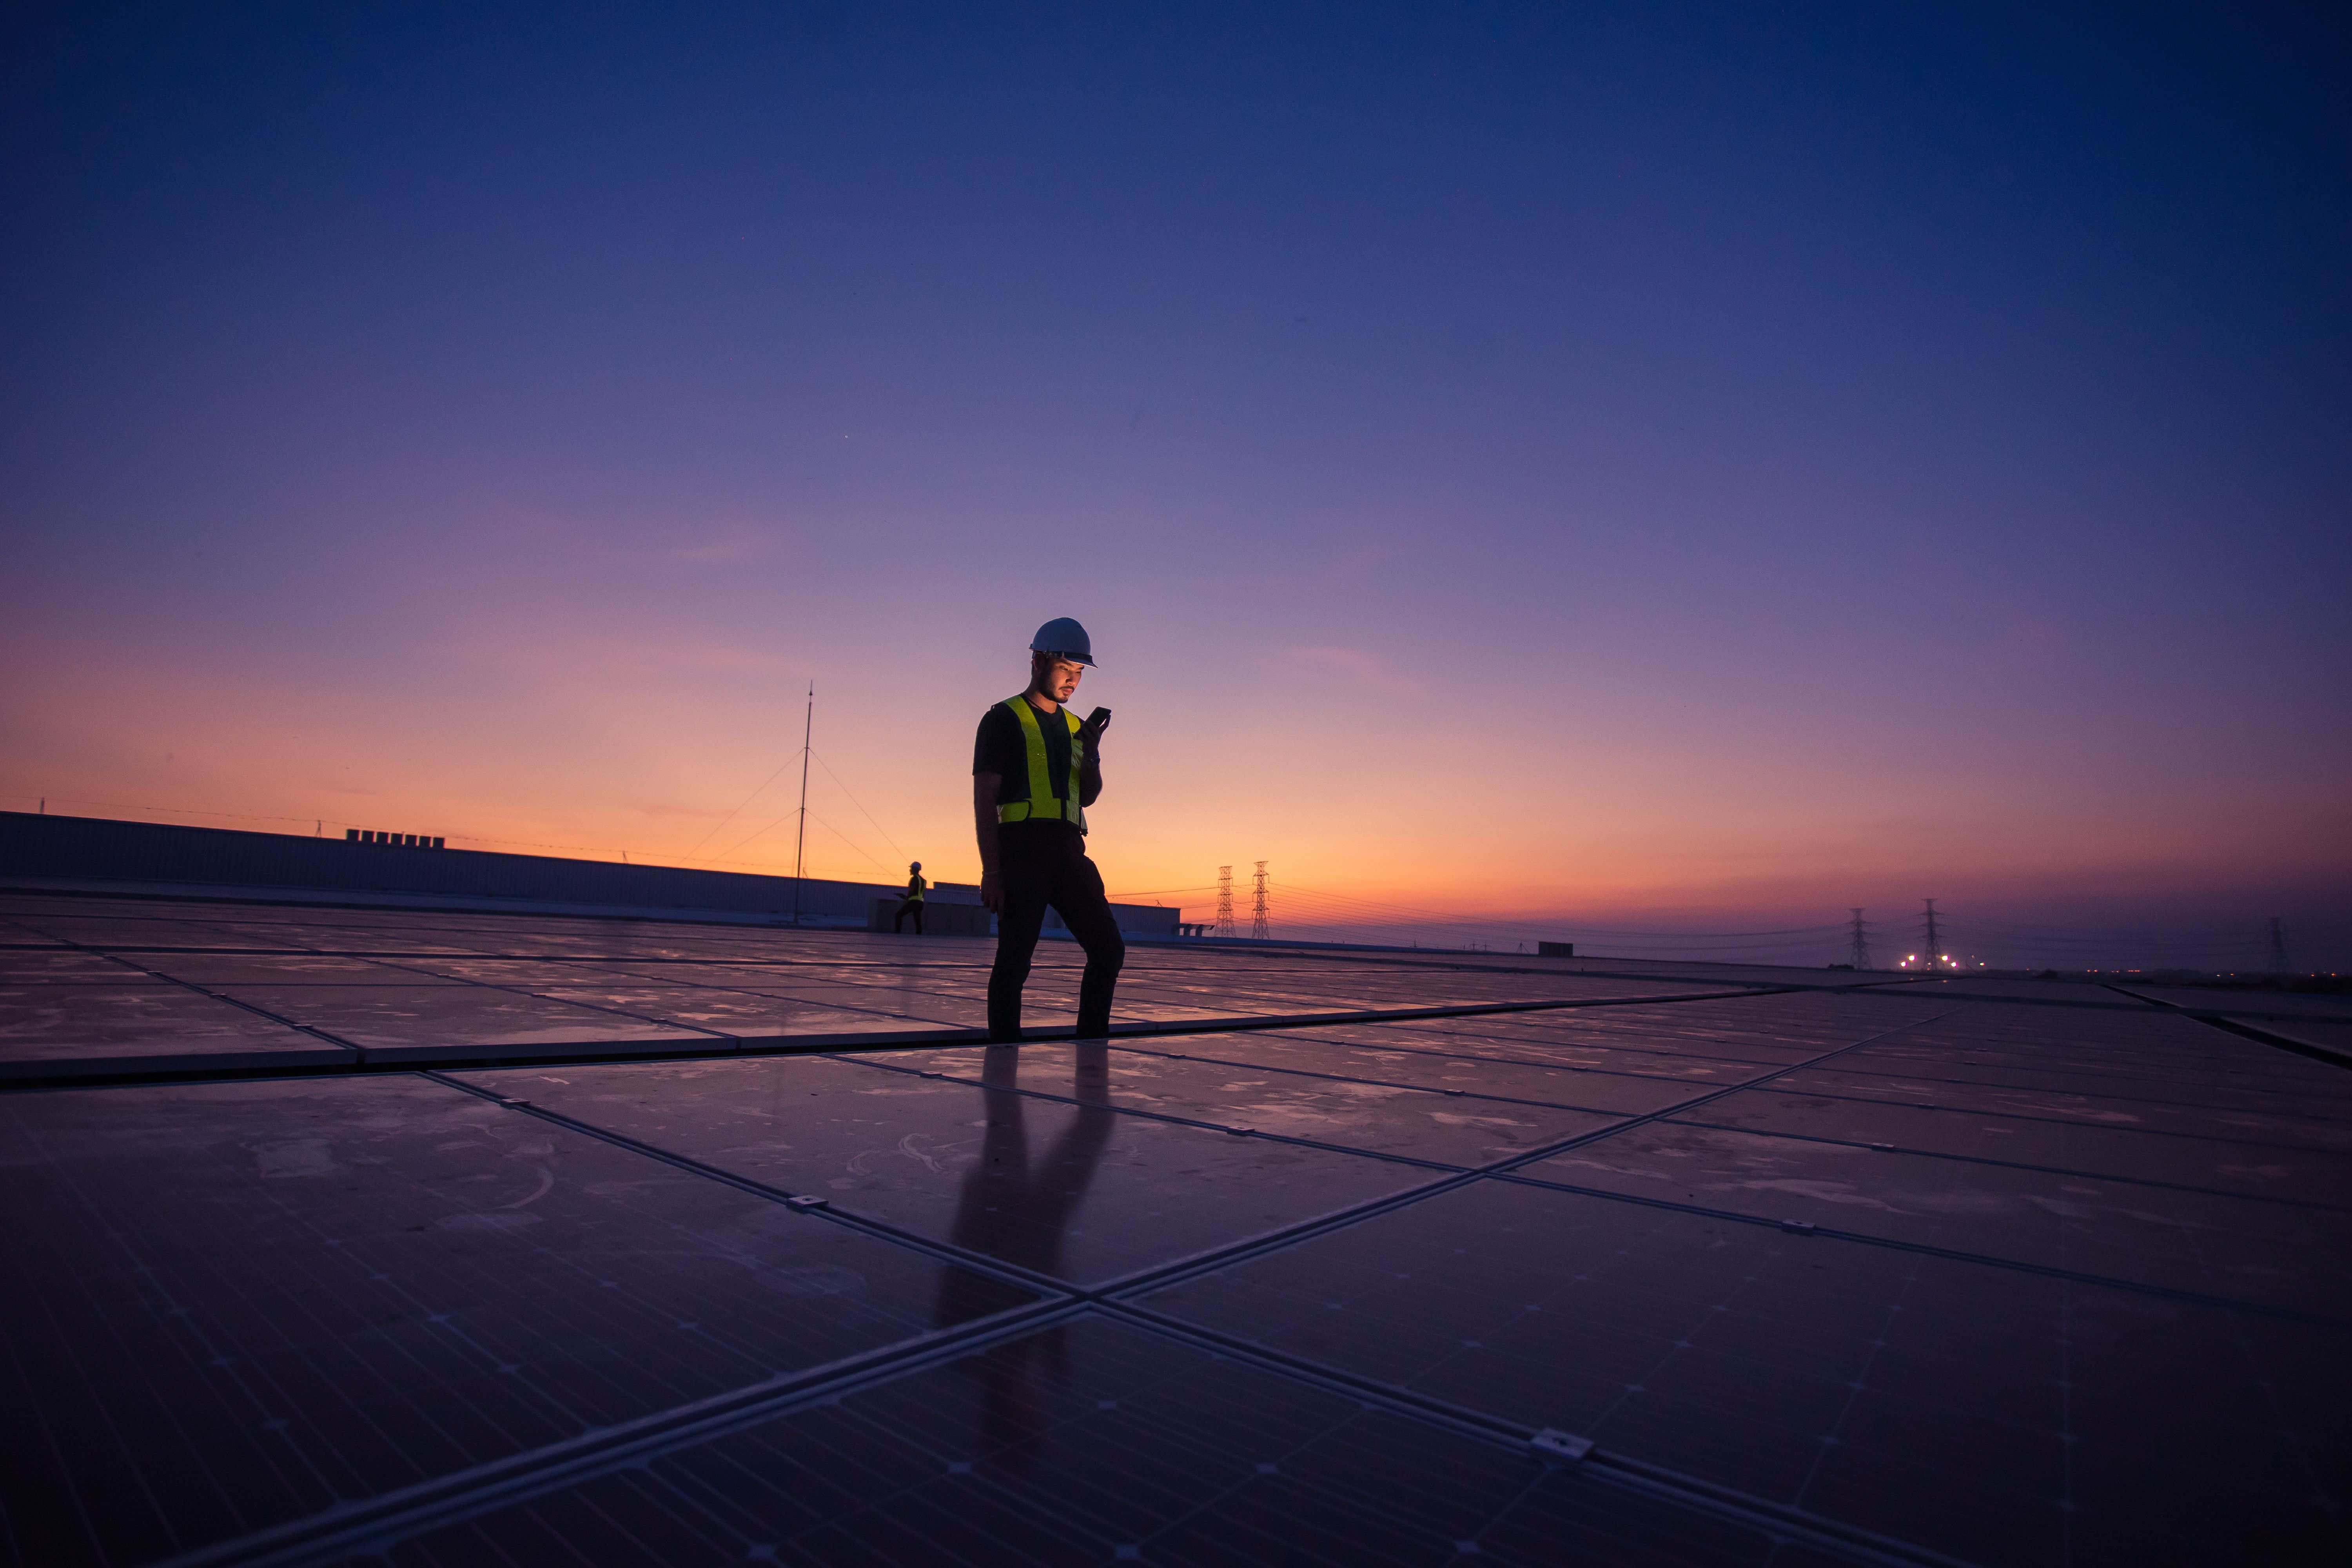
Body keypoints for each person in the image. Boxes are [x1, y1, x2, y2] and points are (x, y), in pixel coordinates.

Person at [973, 617, 1122, 1042]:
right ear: (1038, 661)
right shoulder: (1002, 719)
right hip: (1021, 851)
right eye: (1065, 670)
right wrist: (992, 872)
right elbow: (985, 798)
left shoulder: (1078, 729)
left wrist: (1092, 754)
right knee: (1015, 959)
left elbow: (1088, 796)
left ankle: (1091, 1044)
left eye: (1079, 673)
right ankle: (1004, 1053)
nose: (1073, 681)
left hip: (1069, 852)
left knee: (1109, 950)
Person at [893, 861, 927, 934]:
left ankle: (897, 933)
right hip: (921, 903)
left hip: (913, 903)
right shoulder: (924, 881)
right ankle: (919, 936)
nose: (910, 870)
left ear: (916, 869)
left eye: (912, 868)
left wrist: (907, 898)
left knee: (899, 915)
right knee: (917, 920)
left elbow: (912, 889)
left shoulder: (914, 879)